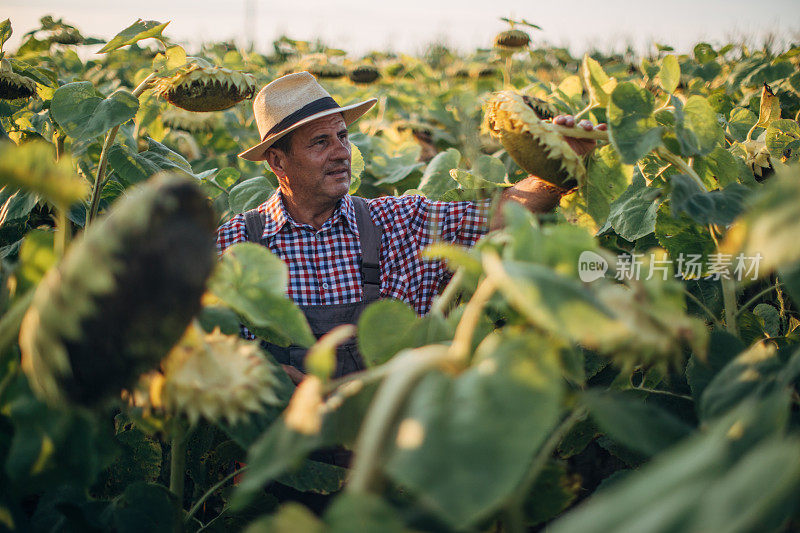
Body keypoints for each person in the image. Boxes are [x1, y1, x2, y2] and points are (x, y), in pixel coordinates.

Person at [216, 72, 605, 384]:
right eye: (320, 142)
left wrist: (558, 165)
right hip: (284, 464)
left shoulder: (399, 221)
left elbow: (504, 214)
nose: (341, 152)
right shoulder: (234, 247)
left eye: (342, 136)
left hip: (392, 448)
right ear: (278, 163)